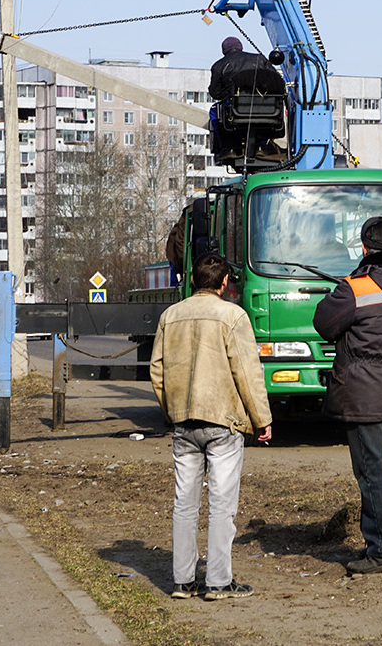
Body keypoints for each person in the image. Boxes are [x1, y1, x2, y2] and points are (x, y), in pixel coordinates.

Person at [150, 253, 273, 601]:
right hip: (223, 422)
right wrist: (262, 419)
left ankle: (182, 581)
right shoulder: (233, 316)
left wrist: (171, 409)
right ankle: (219, 582)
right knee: (222, 504)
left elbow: (157, 371)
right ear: (223, 284)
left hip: (184, 423)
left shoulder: (169, 316)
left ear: (193, 282)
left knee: (184, 504)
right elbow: (247, 372)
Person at [312, 216, 382, 576]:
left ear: (364, 248)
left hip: (363, 392)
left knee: (374, 473)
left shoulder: (356, 287)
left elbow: (324, 324)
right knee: (380, 467)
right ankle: (379, 544)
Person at [208, 37, 285, 162]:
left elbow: (215, 93)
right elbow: (276, 80)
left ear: (224, 51)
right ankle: (262, 145)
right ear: (241, 47)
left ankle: (228, 148)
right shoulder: (260, 59)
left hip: (237, 112)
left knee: (214, 111)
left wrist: (229, 93)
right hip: (268, 111)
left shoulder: (219, 65)